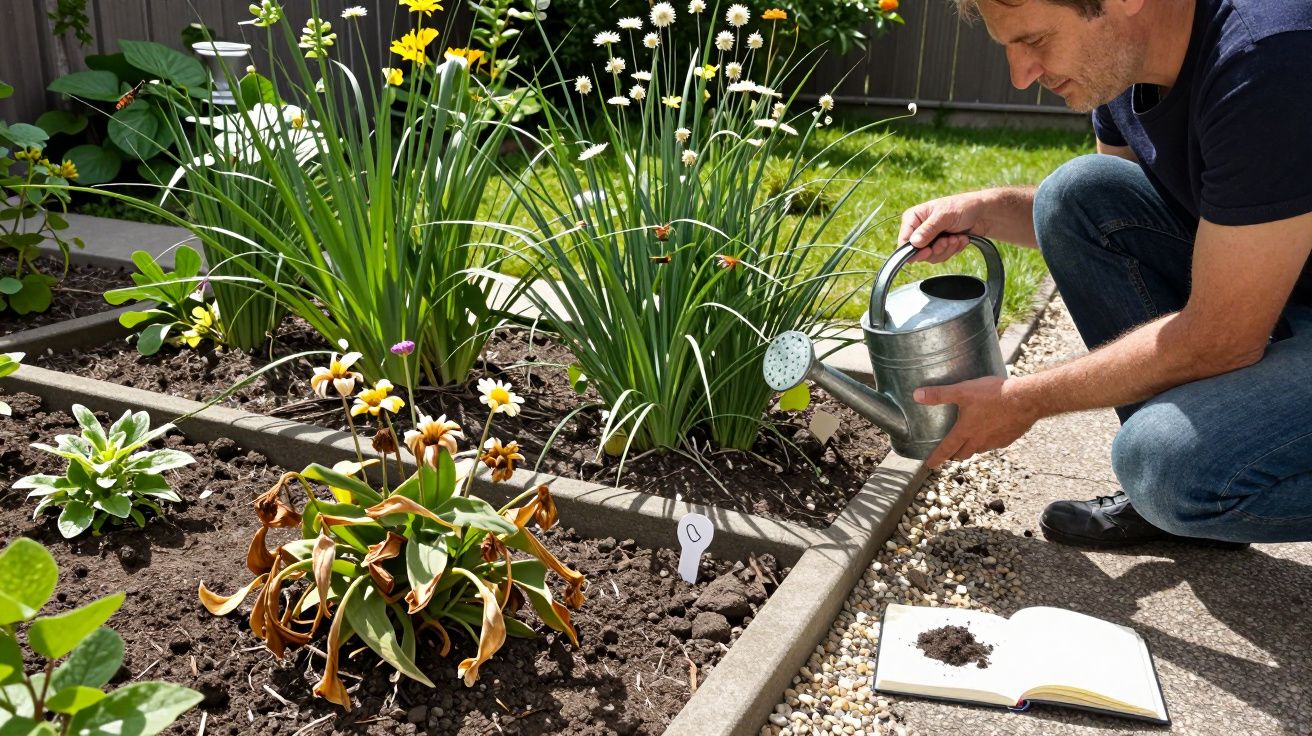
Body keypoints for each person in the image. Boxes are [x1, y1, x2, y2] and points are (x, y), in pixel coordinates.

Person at [898, 0, 1312, 548]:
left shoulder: (1268, 60)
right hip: (1281, 287)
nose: (1022, 77)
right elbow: (1124, 215)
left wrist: (1023, 397)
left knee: (1165, 466)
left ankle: (1187, 490)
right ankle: (1184, 508)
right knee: (1076, 194)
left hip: (1269, 310)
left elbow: (1222, 341)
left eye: (1036, 40)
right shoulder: (1127, 64)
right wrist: (986, 209)